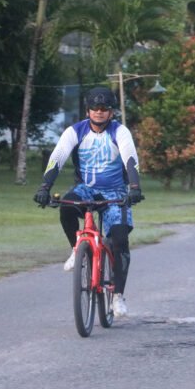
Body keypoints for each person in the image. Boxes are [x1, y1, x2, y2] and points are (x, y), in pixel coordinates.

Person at [33, 87, 143, 318]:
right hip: (86, 189)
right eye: (95, 108)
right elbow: (58, 157)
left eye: (104, 109)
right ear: (88, 111)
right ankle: (77, 248)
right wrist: (45, 187)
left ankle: (117, 296)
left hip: (115, 192)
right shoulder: (76, 131)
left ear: (111, 112)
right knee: (66, 206)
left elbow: (130, 158)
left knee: (119, 240)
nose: (99, 112)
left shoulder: (119, 132)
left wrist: (134, 188)